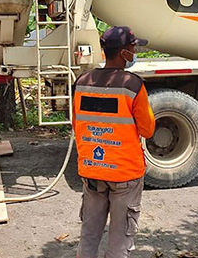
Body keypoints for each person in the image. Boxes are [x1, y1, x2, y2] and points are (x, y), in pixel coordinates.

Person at [73, 26, 155, 258]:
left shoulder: (82, 82)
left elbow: (76, 123)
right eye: (133, 47)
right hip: (124, 174)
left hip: (92, 172)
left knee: (88, 236)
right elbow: (148, 130)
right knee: (119, 243)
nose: (135, 51)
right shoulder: (133, 85)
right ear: (123, 53)